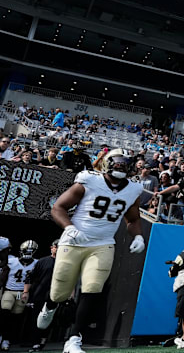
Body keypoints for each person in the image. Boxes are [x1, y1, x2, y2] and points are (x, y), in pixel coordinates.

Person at [36, 149, 146, 353]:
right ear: (106, 163)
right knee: (60, 292)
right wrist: (69, 227)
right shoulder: (89, 180)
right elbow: (58, 207)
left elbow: (133, 219)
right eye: (117, 162)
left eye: (125, 163)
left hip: (103, 243)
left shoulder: (133, 189)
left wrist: (138, 235)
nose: (121, 166)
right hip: (74, 241)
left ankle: (74, 339)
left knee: (92, 288)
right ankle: (50, 306)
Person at [0, 240, 38, 351]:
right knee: (4, 312)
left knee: (15, 317)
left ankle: (6, 339)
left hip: (22, 292)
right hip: (9, 290)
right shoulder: (11, 260)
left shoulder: (36, 263)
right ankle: (1, 336)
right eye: (26, 250)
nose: (28, 253)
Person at [25, 240, 58, 352]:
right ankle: (35, 342)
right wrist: (26, 292)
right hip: (40, 294)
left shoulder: (64, 262)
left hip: (54, 294)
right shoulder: (43, 261)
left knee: (49, 318)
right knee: (36, 318)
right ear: (51, 247)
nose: (57, 249)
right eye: (56, 247)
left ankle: (43, 341)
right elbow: (30, 277)